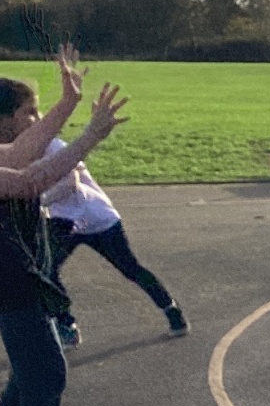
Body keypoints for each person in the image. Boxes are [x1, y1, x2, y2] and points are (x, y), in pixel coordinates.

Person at [0, 53, 128, 406]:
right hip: (8, 276)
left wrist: (69, 102)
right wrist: (90, 136)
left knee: (32, 358)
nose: (33, 119)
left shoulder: (0, 147)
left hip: (17, 270)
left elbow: (20, 153)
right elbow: (27, 180)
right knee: (48, 368)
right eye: (25, 112)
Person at [41, 141, 187, 347]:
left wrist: (39, 201)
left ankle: (171, 309)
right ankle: (67, 325)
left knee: (130, 268)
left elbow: (70, 182)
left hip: (96, 218)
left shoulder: (55, 146)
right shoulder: (19, 151)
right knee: (46, 270)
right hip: (64, 222)